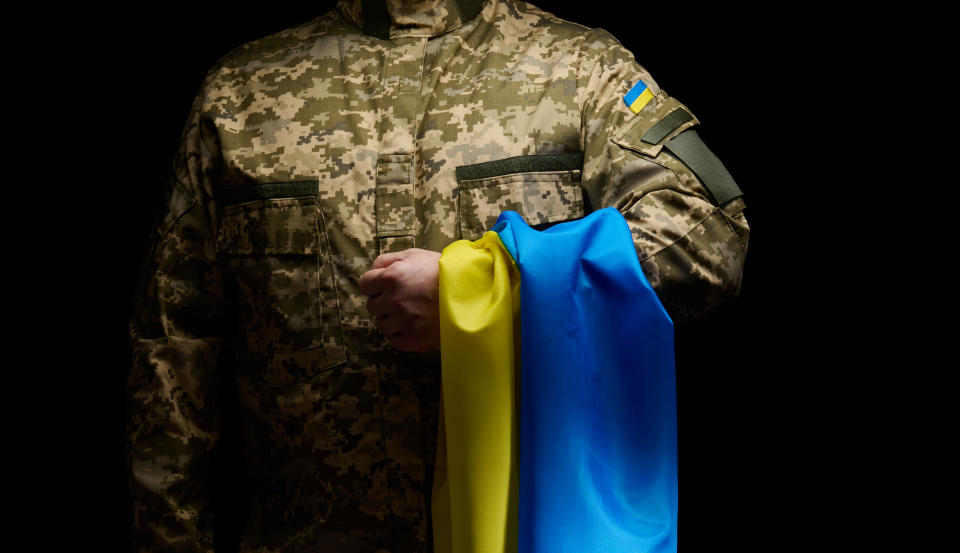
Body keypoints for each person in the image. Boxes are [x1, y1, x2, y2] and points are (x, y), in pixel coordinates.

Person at [126, 0, 749, 552]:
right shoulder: (240, 94)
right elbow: (171, 351)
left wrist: (484, 290)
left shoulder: (582, 71)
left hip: (526, 536)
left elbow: (708, 239)